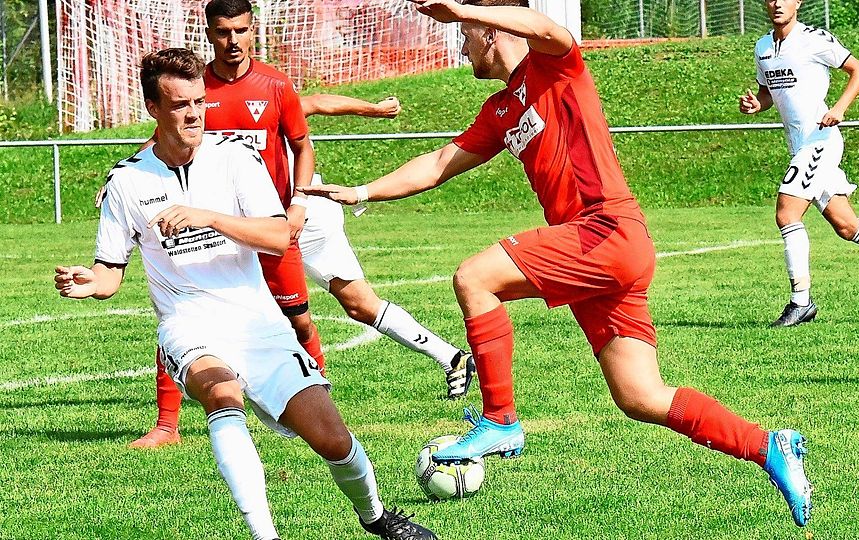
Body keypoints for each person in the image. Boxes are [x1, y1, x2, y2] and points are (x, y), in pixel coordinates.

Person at [303, 0, 813, 527]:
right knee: (640, 396)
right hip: (603, 250)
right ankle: (770, 446)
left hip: (604, 230)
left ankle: (500, 420)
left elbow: (548, 27)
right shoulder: (502, 108)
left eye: (467, 34)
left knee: (474, 278)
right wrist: (362, 190)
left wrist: (461, 9)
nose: (461, 44)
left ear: (489, 31)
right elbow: (437, 165)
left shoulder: (553, 65)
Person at [54, 47, 436, 540]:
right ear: (153, 109)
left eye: (198, 101)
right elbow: (109, 275)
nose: (192, 114)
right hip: (188, 322)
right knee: (221, 393)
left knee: (335, 441)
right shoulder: (127, 181)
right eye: (178, 104)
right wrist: (88, 283)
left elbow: (280, 236)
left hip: (259, 321)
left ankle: (377, 517)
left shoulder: (235, 157)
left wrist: (209, 217)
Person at [128, 0, 326, 449]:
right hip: (206, 232)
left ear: (253, 30)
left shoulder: (275, 84)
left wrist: (297, 202)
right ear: (210, 33)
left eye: (240, 30)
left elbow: (302, 145)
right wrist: (128, 174)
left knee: (298, 319)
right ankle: (166, 425)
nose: (232, 40)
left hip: (267, 224)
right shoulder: (196, 88)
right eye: (222, 32)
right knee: (180, 315)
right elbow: (167, 133)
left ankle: (315, 395)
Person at [739, 0, 859, 327]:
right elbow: (769, 95)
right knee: (847, 226)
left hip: (821, 141)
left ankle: (800, 302)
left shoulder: (814, 39)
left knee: (787, 212)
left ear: (798, 2)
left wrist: (840, 108)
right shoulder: (763, 47)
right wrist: (754, 105)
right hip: (799, 146)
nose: (777, 3)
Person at [299, 93, 476, 400]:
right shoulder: (209, 108)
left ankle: (307, 391)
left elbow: (315, 102)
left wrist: (376, 110)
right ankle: (451, 357)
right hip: (267, 217)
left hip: (303, 214)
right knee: (357, 306)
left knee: (288, 306)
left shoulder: (259, 94)